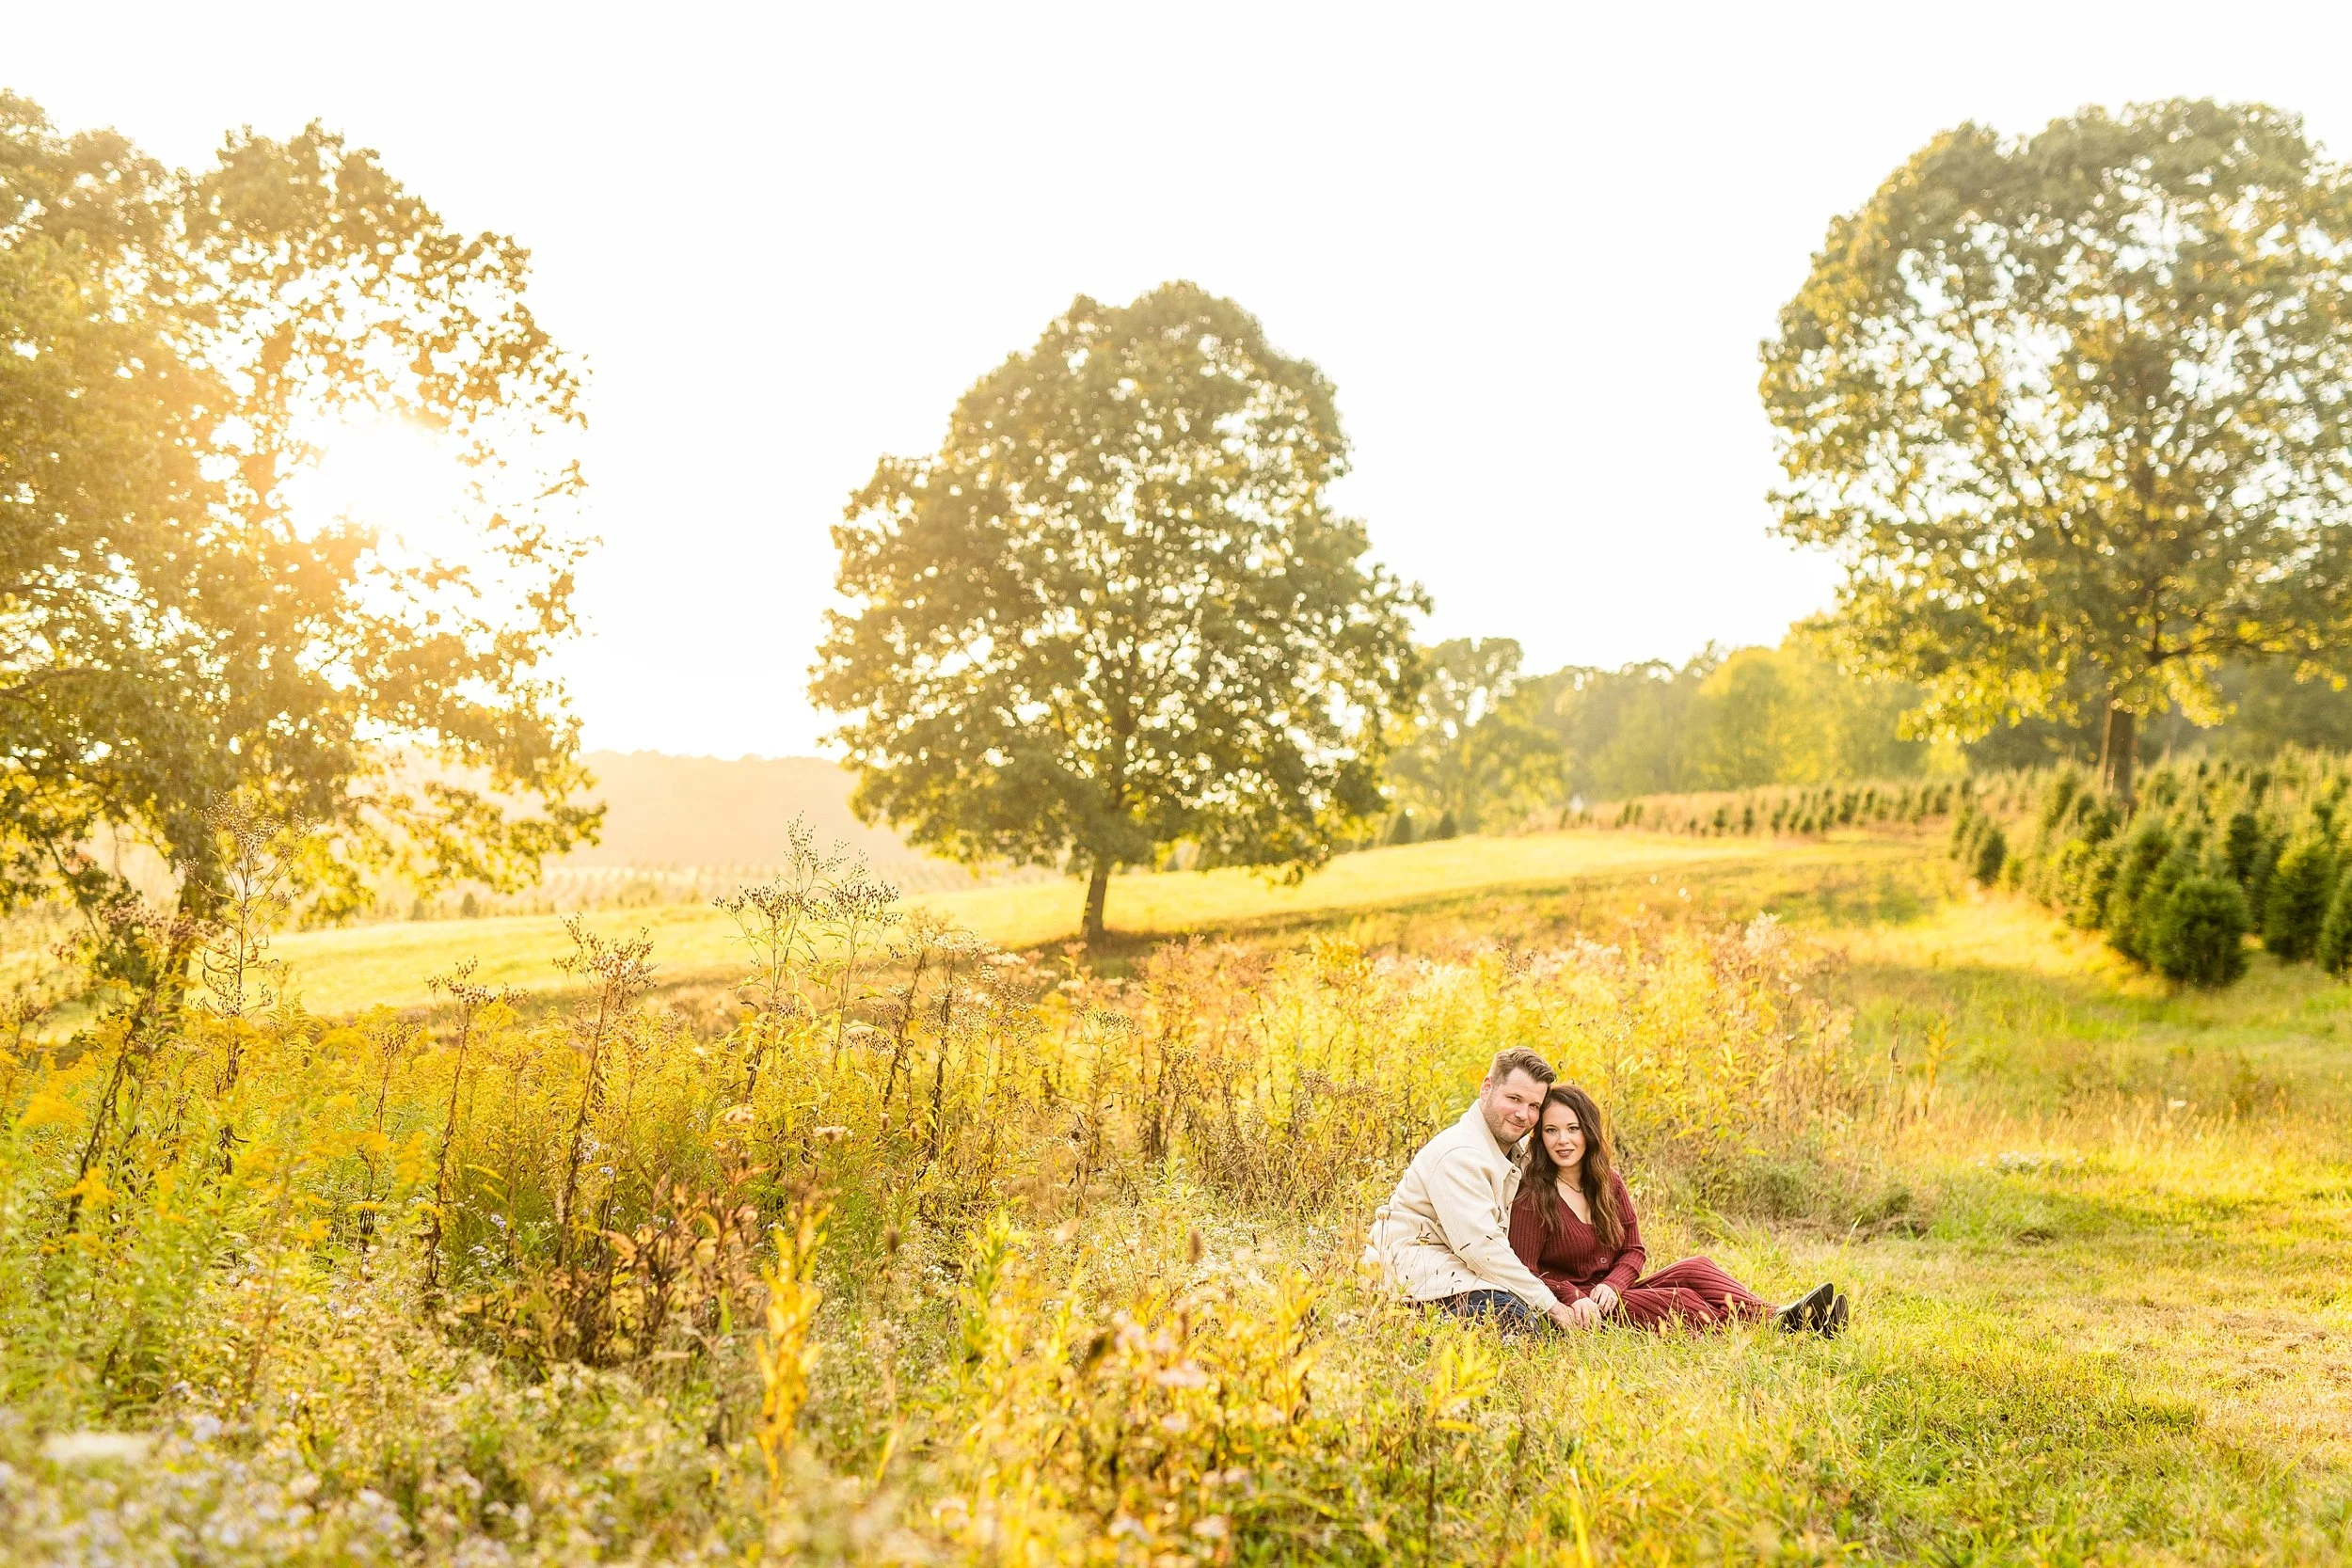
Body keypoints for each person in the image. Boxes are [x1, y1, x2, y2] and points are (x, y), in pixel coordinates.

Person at [1508, 1083, 1849, 1336]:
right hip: (1584, 1309)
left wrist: (1613, 1284)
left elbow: (1633, 1250)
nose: (1562, 1140)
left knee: (1696, 1267)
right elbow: (1525, 1270)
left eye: (1573, 1128)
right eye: (1551, 1131)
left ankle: (1780, 1317)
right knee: (1681, 1301)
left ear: (1589, 1132)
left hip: (1615, 1293)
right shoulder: (1533, 1196)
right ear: (1540, 1138)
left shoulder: (1608, 1183)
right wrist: (1570, 1295)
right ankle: (1778, 1331)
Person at [1366, 1047, 1581, 1331]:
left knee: (1523, 1317)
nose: (1523, 1114)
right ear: (1487, 1087)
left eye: (1534, 1106)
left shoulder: (1514, 1152)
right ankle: (1407, 1329)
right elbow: (1481, 1248)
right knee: (1516, 1322)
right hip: (1420, 1276)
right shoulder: (1460, 1154)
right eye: (1514, 1099)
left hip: (1462, 1272)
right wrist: (1552, 1306)